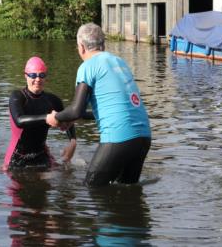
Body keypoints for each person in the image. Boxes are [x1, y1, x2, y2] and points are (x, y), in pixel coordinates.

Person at [46, 23, 151, 186]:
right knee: (127, 190)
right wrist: (72, 119)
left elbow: (75, 110)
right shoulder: (119, 62)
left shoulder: (87, 66)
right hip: (143, 136)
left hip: (119, 137)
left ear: (81, 47)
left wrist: (56, 117)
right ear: (103, 44)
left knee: (92, 188)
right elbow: (110, 108)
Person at [3, 56, 77, 170]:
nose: (37, 79)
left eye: (41, 75)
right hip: (17, 158)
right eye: (33, 75)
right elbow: (19, 121)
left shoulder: (53, 100)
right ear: (26, 76)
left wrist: (73, 142)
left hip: (42, 156)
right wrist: (46, 118)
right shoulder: (17, 97)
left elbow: (68, 120)